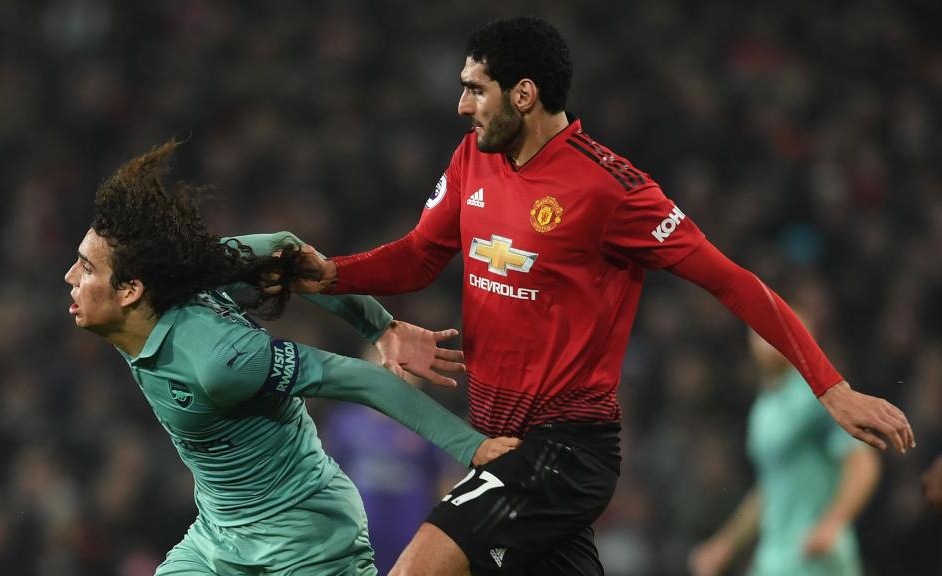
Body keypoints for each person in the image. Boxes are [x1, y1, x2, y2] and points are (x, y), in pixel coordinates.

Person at [292, 16, 915, 576]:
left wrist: (831, 387)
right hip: (502, 441)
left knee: (417, 570)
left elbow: (731, 280)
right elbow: (420, 255)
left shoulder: (612, 190)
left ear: (524, 94)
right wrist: (328, 275)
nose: (461, 105)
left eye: (476, 88)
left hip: (565, 450)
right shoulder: (473, 159)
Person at [63, 139, 519, 576]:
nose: (69, 276)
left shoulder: (221, 361)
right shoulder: (182, 274)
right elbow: (287, 253)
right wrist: (380, 327)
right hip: (218, 538)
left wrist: (473, 447)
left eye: (86, 268)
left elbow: (364, 380)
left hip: (306, 542)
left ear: (130, 291)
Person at [688, 322, 881, 576]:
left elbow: (863, 463)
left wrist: (832, 523)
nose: (768, 339)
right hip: (776, 559)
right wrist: (726, 543)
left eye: (784, 328)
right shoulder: (763, 408)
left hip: (818, 560)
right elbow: (770, 488)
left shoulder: (818, 398)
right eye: (763, 328)